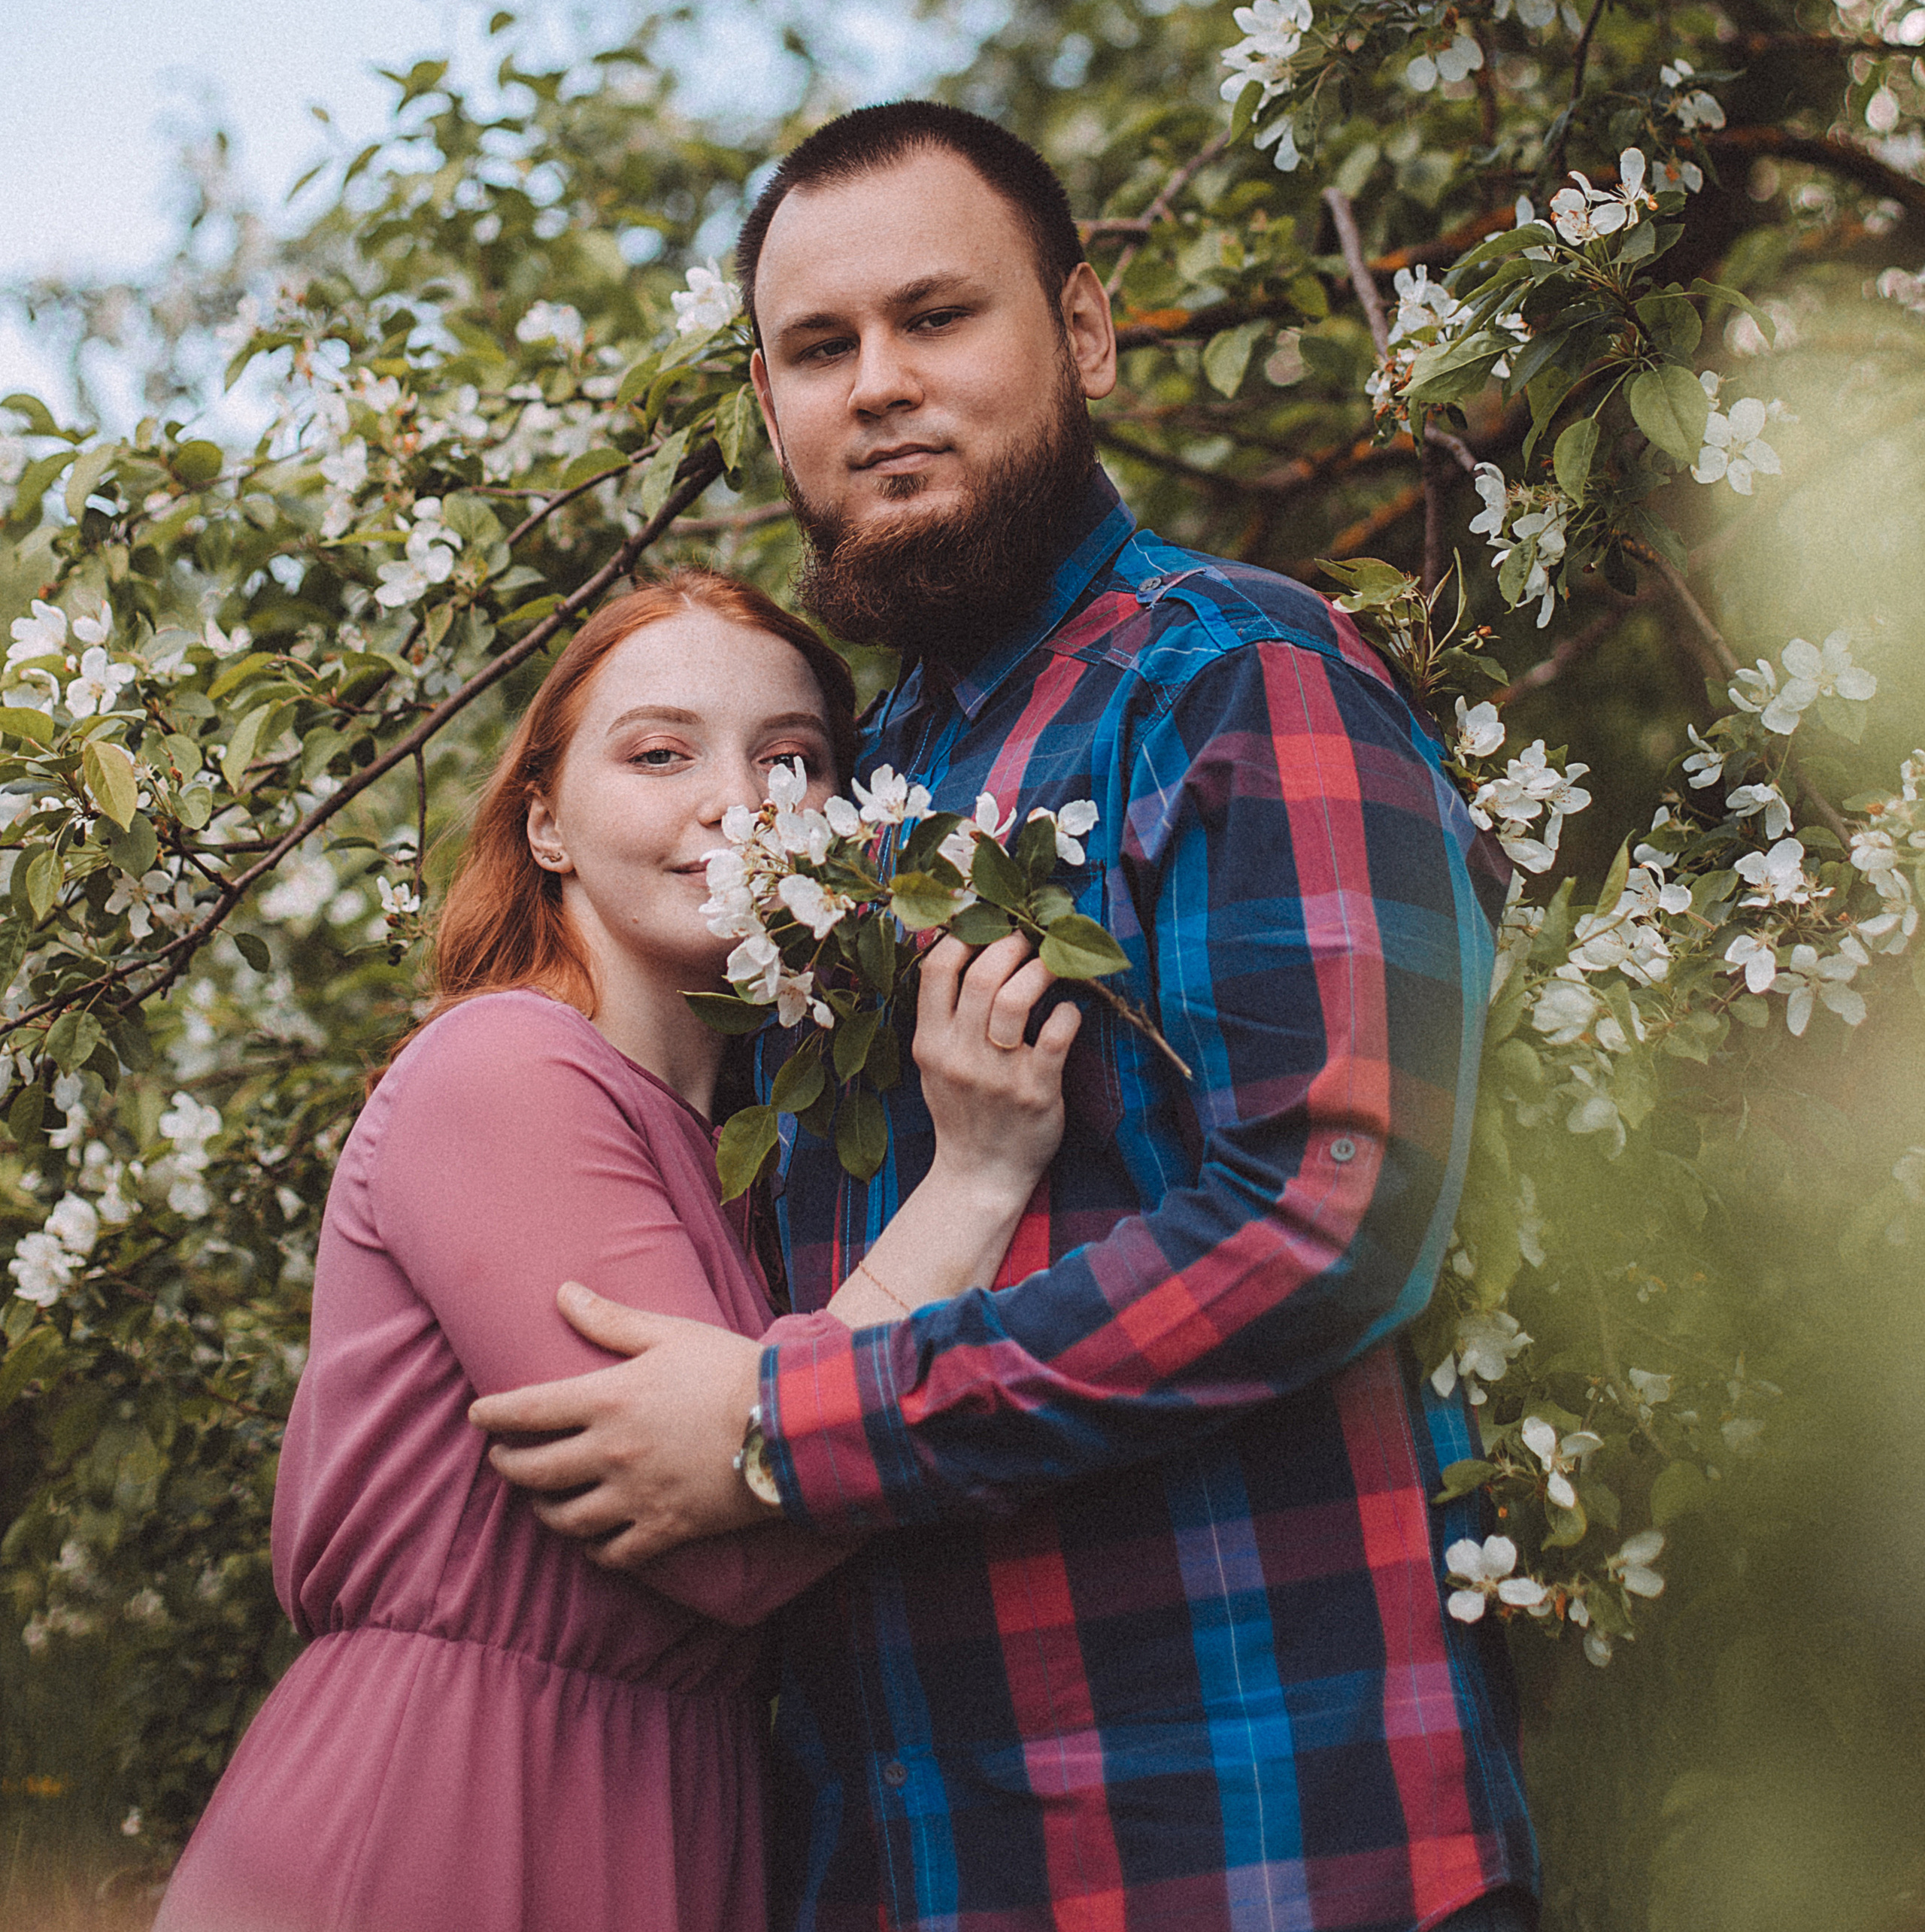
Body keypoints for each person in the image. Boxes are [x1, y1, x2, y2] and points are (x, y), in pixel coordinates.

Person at [473, 103, 1541, 1932]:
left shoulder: (1231, 680)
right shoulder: (832, 797)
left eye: (935, 317)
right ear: (771, 406)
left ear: (1085, 333)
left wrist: (788, 1428)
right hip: (909, 1852)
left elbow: (1326, 1212)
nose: (879, 384)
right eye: (821, 348)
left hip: (1256, 1834)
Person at [155, 567, 1080, 1932]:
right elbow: (731, 1546)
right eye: (660, 754)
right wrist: (979, 1177)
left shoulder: (748, 1159)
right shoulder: (506, 1073)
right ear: (547, 824)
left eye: (792, 760)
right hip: (444, 1811)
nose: (737, 803)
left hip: (671, 1810)